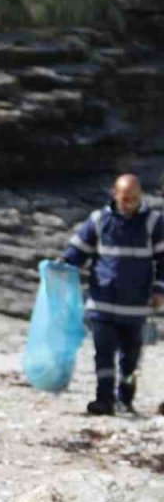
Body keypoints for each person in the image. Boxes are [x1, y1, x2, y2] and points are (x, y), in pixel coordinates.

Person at [60, 174, 164, 415]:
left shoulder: (154, 223)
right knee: (104, 355)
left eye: (134, 199)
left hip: (136, 306)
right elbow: (77, 251)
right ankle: (104, 400)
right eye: (125, 199)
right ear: (114, 194)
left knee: (131, 359)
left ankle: (125, 399)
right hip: (102, 303)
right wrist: (61, 266)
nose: (129, 204)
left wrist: (159, 289)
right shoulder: (99, 220)